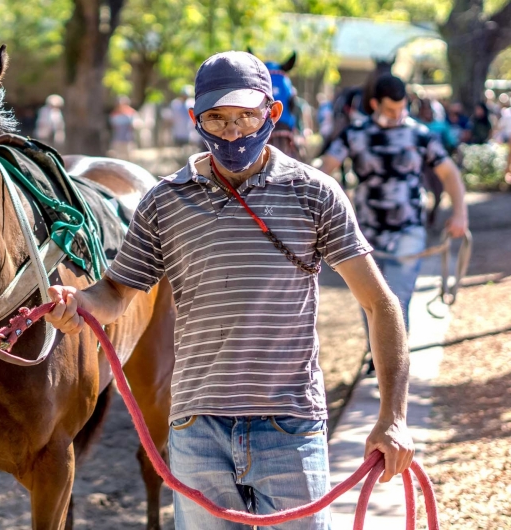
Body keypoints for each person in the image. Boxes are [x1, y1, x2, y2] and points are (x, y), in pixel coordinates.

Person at [46, 52, 414, 529]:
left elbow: (379, 303)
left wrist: (393, 417)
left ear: (272, 112)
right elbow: (117, 291)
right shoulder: (164, 201)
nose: (233, 132)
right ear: (196, 119)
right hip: (197, 432)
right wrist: (79, 303)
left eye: (246, 116)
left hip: (290, 427)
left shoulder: (315, 193)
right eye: (216, 119)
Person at [321, 74, 468, 365]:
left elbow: (449, 173)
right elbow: (325, 170)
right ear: (375, 103)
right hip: (363, 234)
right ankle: (377, 357)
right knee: (370, 300)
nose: (398, 115)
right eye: (390, 110)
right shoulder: (354, 134)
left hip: (408, 231)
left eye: (402, 108)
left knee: (396, 299)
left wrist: (460, 212)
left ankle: (392, 364)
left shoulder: (420, 134)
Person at [108, 96, 140, 160]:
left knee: (129, 157)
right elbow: (113, 125)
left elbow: (137, 124)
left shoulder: (131, 113)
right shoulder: (115, 114)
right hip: (117, 139)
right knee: (117, 157)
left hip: (128, 138)